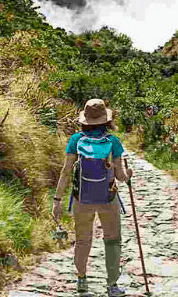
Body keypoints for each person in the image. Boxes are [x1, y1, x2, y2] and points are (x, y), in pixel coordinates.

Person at [52, 99, 133, 296]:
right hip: (108, 198)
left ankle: (82, 282)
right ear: (106, 120)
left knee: (82, 240)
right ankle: (112, 285)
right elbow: (121, 177)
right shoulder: (113, 141)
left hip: (82, 199)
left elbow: (65, 172)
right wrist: (128, 174)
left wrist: (57, 200)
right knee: (112, 241)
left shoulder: (75, 140)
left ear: (85, 120)